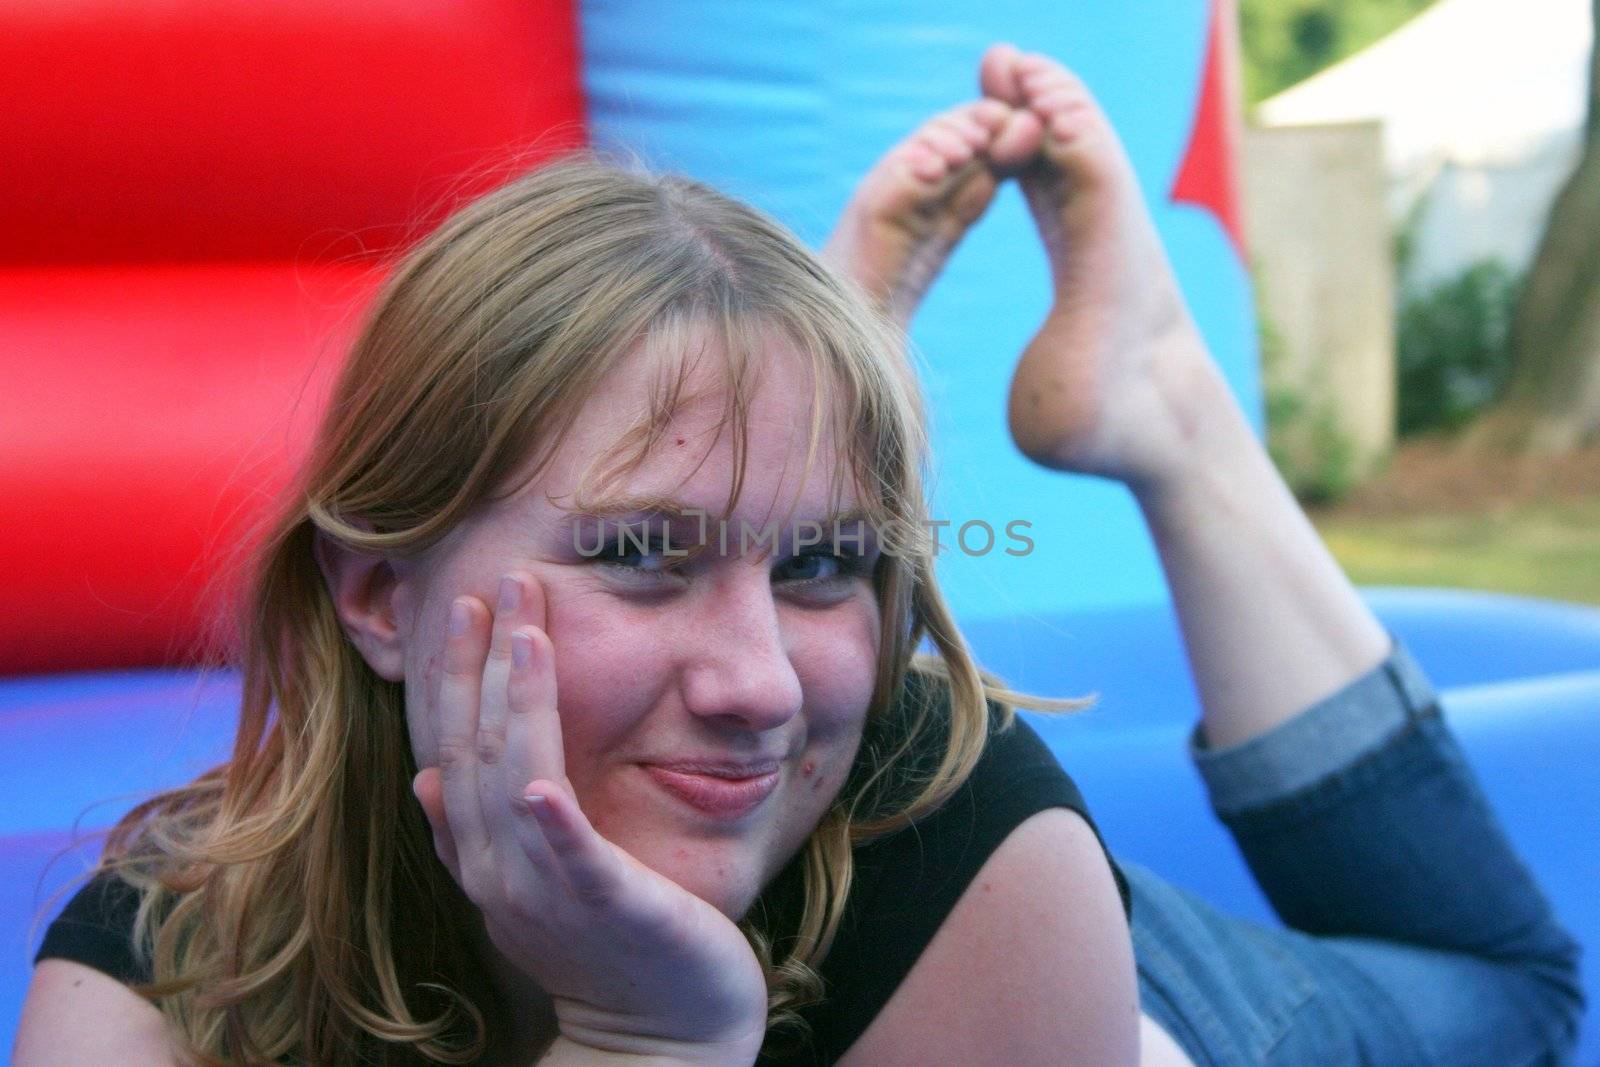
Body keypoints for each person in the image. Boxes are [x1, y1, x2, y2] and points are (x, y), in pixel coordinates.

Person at [14, 43, 1584, 1067]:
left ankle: (1156, 403)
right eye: (640, 552)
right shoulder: (178, 961)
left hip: (1152, 1023)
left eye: (826, 565)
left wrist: (651, 1043)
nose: (765, 687)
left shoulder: (948, 830)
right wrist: (646, 1043)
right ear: (376, 593)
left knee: (1518, 1007)